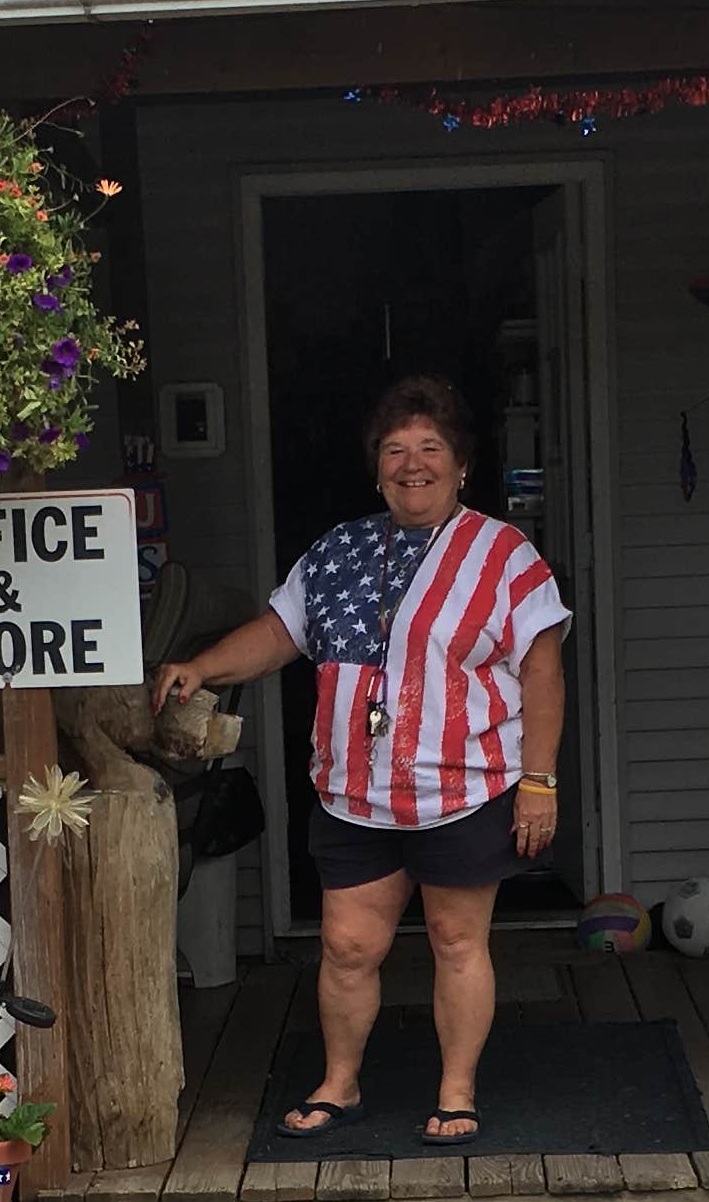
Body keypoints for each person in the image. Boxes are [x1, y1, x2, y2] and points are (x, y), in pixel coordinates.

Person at [156, 375, 568, 1146]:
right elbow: (279, 634)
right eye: (395, 450)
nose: (413, 464)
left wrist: (539, 782)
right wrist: (202, 668)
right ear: (377, 467)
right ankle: (339, 1084)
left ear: (461, 464)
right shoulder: (339, 549)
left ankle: (456, 1089)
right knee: (347, 946)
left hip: (466, 788)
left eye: (430, 449)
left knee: (455, 940)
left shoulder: (505, 556)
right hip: (355, 791)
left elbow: (543, 672)